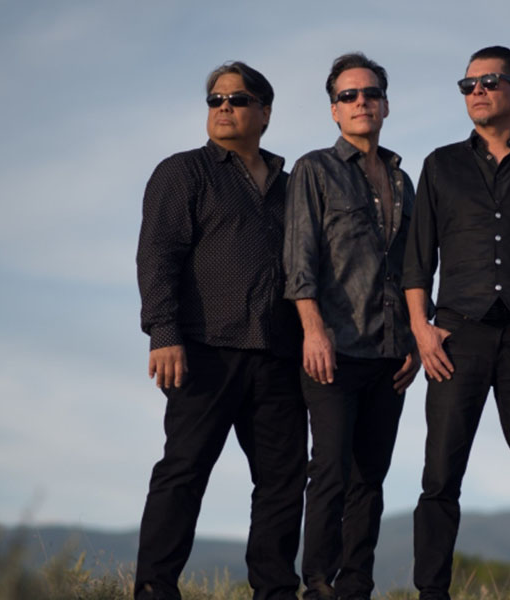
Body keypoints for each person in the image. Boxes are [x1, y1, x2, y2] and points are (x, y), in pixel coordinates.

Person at [403, 45, 510, 600]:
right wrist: (421, 329)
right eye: (467, 84)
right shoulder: (440, 164)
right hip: (457, 337)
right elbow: (416, 260)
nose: (476, 91)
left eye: (489, 82)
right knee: (439, 478)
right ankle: (431, 594)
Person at [134, 61, 307, 600]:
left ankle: (275, 591)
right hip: (204, 350)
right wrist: (164, 332)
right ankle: (155, 590)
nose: (224, 107)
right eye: (215, 99)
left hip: (279, 355)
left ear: (265, 112)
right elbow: (158, 253)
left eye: (237, 99)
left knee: (283, 482)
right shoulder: (183, 172)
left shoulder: (293, 186)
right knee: (183, 472)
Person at [283, 52, 420, 600]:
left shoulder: (404, 180)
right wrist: (313, 330)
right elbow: (299, 258)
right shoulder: (314, 169)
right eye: (348, 95)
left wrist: (414, 338)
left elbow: (414, 267)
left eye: (370, 94)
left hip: (391, 352)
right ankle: (318, 584)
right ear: (334, 110)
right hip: (333, 349)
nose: (361, 102)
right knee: (330, 471)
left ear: (385, 105)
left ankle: (355, 586)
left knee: (371, 479)